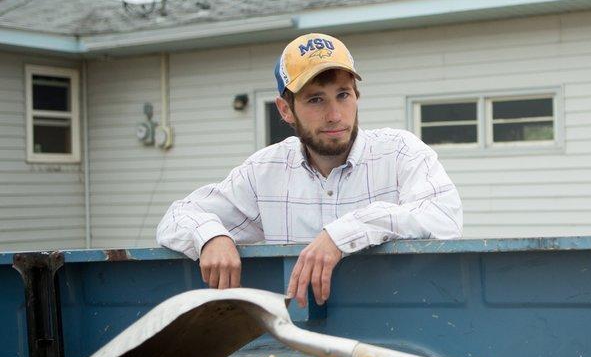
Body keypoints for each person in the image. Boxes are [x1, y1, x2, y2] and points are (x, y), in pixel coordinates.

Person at [157, 33, 463, 306]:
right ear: (285, 109)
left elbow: (444, 217)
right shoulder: (265, 171)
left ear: (356, 96)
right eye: (315, 99)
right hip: (298, 351)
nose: (334, 115)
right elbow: (177, 217)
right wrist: (211, 237)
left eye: (343, 95)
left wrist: (343, 234)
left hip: (396, 335)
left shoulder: (398, 152)